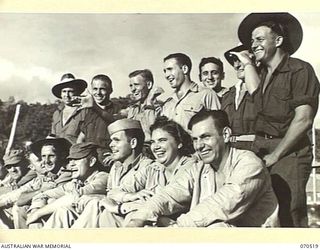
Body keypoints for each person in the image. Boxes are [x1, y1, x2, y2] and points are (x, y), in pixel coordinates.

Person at [125, 110, 279, 227]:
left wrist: (176, 228)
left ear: (225, 135)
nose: (199, 145)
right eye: (195, 139)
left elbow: (220, 205)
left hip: (256, 241)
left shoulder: (249, 164)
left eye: (206, 137)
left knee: (215, 228)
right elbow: (170, 194)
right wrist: (140, 217)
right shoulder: (200, 168)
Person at [238, 12, 320, 227]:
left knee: (289, 212)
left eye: (259, 39)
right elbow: (256, 93)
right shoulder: (263, 74)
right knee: (261, 213)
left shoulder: (300, 70)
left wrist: (275, 155)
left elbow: (303, 121)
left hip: (289, 152)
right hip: (261, 148)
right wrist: (247, 62)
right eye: (252, 40)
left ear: (279, 40)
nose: (253, 44)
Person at [68, 117, 197, 228]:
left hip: (177, 227)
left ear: (179, 143)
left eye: (162, 140)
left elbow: (163, 201)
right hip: (151, 220)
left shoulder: (191, 168)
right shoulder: (155, 168)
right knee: (105, 213)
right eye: (153, 142)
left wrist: (120, 208)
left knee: (118, 214)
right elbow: (114, 192)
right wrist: (129, 196)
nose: (156, 147)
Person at [42, 119, 153, 228]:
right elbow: (110, 194)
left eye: (116, 140)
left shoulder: (150, 168)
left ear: (133, 143)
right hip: (111, 215)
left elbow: (153, 204)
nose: (111, 145)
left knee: (94, 204)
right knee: (64, 211)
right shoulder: (116, 168)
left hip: (130, 221)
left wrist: (118, 204)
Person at [26, 142, 108, 228]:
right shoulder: (76, 182)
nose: (71, 164)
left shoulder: (103, 178)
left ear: (91, 161)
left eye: (77, 159)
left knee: (63, 211)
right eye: (70, 160)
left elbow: (75, 197)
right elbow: (42, 195)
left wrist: (38, 214)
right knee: (52, 203)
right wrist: (35, 213)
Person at [10, 136, 71, 229]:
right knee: (19, 209)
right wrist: (39, 191)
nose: (46, 161)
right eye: (43, 156)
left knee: (43, 204)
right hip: (42, 212)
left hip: (60, 213)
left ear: (62, 155)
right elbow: (20, 201)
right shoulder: (43, 177)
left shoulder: (69, 174)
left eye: (51, 156)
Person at [161, 53, 221, 132]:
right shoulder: (167, 103)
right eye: (165, 71)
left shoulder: (206, 94)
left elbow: (218, 127)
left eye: (170, 69)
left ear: (185, 69)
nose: (166, 75)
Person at [222, 44, 260, 150]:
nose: (236, 65)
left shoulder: (266, 90)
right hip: (232, 153)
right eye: (234, 60)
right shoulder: (228, 95)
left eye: (241, 59)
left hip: (258, 151)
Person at [77, 74, 121, 166]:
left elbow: (114, 121)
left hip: (108, 162)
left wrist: (116, 156)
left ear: (110, 90)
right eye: (95, 89)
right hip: (89, 163)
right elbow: (81, 138)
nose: (98, 92)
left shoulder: (118, 109)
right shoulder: (88, 111)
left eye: (102, 89)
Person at [127, 69, 163, 148]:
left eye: (136, 85)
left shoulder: (159, 108)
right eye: (131, 86)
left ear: (149, 85)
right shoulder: (133, 109)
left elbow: (152, 132)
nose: (133, 89)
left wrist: (149, 104)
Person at [0, 149, 36, 228]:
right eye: (9, 167)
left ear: (25, 164)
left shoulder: (32, 175)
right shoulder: (13, 177)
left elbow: (19, 194)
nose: (13, 170)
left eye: (16, 165)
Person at [51, 73, 88, 144]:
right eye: (64, 91)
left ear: (77, 92)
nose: (67, 95)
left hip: (76, 153)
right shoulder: (56, 114)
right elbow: (53, 135)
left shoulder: (84, 111)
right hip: (59, 153)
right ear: (60, 94)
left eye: (70, 91)